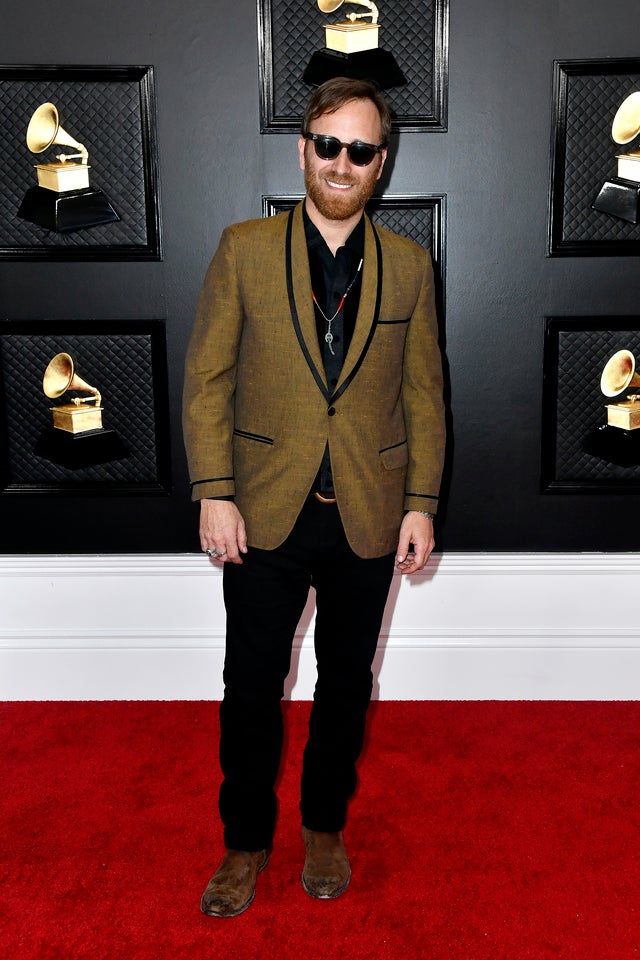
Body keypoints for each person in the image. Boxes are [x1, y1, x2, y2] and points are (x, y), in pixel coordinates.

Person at [182, 76, 446, 918]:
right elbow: (207, 380)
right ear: (303, 150)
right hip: (261, 508)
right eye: (328, 145)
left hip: (370, 511)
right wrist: (214, 491)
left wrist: (421, 502)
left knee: (344, 682)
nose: (342, 162)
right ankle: (245, 842)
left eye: (360, 150)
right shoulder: (243, 248)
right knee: (252, 684)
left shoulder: (409, 266)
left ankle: (325, 826)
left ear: (381, 163)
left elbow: (424, 396)